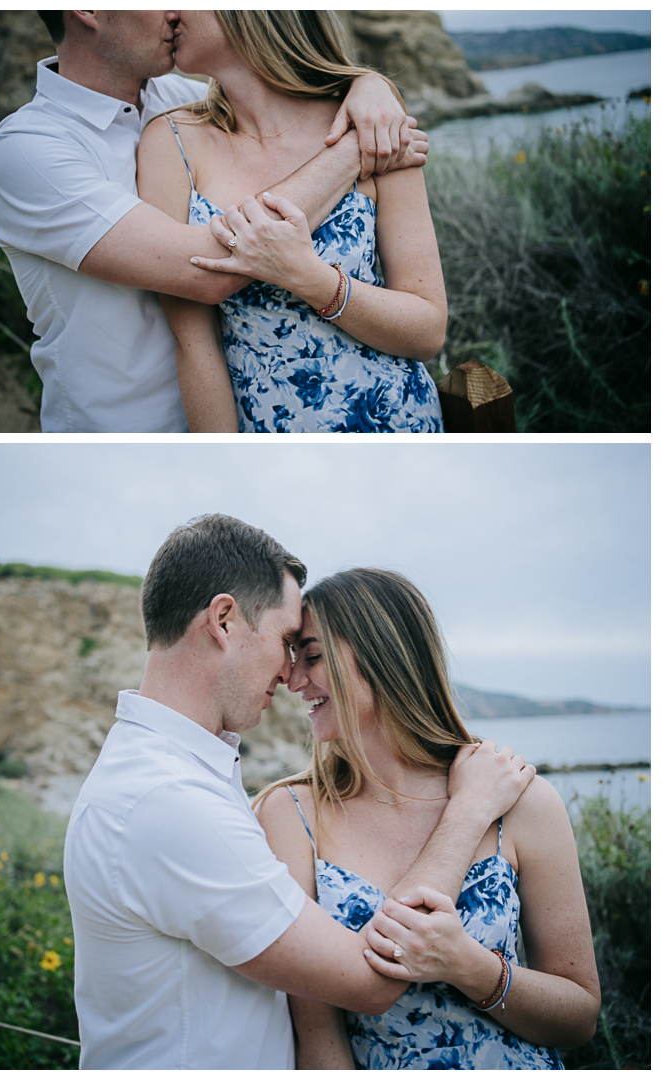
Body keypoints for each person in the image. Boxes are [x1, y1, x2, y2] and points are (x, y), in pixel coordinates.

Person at [64, 514, 536, 1069]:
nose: (290, 674)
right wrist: (469, 812)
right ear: (223, 620)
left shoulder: (174, 775)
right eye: (289, 641)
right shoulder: (167, 799)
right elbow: (370, 981)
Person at [0, 11, 429, 433]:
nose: (176, 10)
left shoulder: (181, 100)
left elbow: (273, 89)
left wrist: (371, 86)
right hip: (132, 432)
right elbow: (207, 269)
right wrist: (350, 153)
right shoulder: (28, 151)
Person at [254, 567, 601, 1070]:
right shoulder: (291, 816)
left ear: (383, 654)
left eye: (312, 655)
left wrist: (473, 969)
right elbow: (317, 1035)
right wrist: (468, 811)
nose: (290, 679)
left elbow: (579, 1017)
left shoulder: (523, 802)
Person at [138, 11, 448, 433]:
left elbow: (427, 330)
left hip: (395, 423)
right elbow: (196, 348)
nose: (170, 11)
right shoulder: (170, 142)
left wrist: (311, 278)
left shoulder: (373, 127)